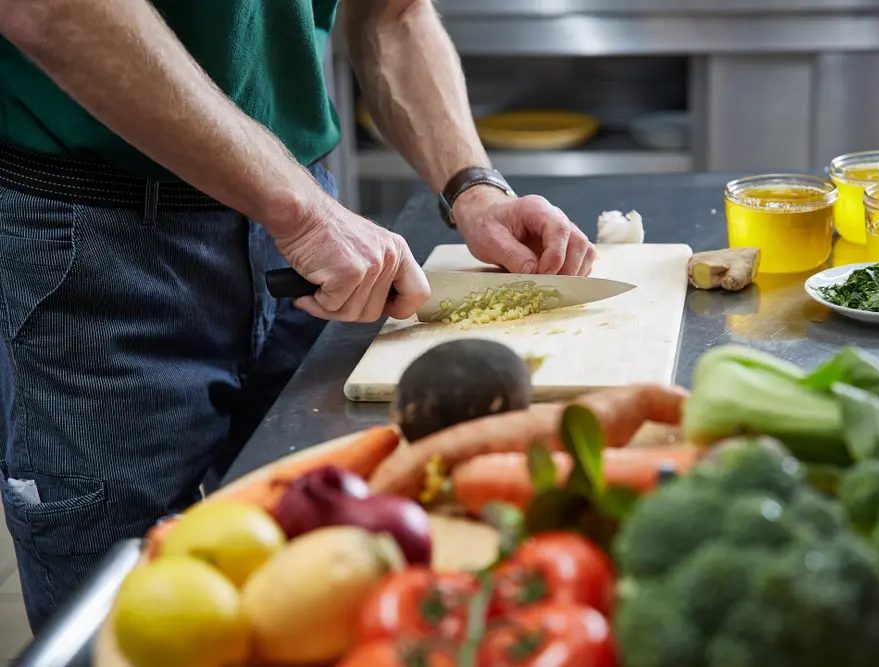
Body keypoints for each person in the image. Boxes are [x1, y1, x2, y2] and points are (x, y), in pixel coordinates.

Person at [0, 0, 596, 632]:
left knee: (329, 579)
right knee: (133, 620)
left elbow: (392, 14)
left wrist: (473, 187)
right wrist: (304, 216)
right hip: (97, 243)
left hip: (299, 218)